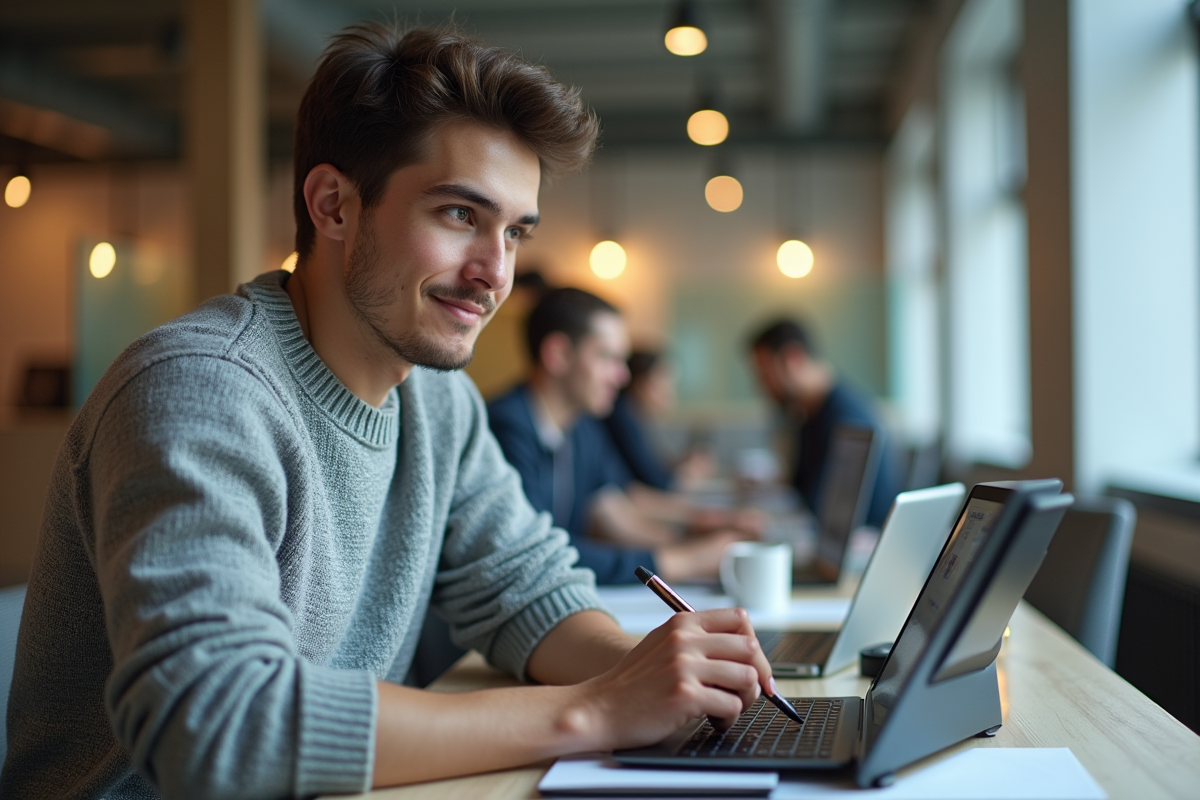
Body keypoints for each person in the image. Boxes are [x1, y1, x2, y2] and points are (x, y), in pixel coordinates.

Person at [2, 25, 776, 799]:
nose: (494, 273)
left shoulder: (437, 399)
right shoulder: (200, 391)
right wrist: (592, 710)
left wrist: (658, 671)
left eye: (514, 232)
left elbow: (527, 591)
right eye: (459, 216)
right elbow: (219, 724)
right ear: (333, 205)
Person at [488, 288, 750, 585]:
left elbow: (614, 511)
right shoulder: (506, 428)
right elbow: (534, 553)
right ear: (558, 354)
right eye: (607, 358)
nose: (622, 376)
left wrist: (692, 539)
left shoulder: (581, 427)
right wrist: (684, 561)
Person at [748, 318, 903, 526]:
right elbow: (802, 488)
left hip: (862, 544)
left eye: (765, 374)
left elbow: (822, 508)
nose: (762, 386)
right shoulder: (808, 412)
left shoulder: (847, 418)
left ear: (793, 359)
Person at [604, 349, 715, 492]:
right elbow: (651, 479)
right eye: (663, 383)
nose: (670, 392)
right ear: (640, 384)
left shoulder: (635, 417)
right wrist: (686, 476)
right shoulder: (620, 416)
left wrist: (679, 464)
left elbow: (649, 466)